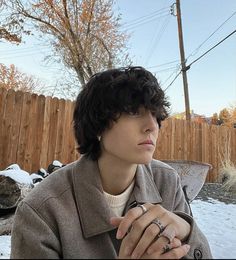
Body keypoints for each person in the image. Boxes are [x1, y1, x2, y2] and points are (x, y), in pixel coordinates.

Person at [10, 66, 212, 259]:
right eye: (134, 112)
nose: (152, 125)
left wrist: (186, 229)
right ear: (98, 126)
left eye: (155, 115)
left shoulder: (167, 181)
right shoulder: (41, 212)